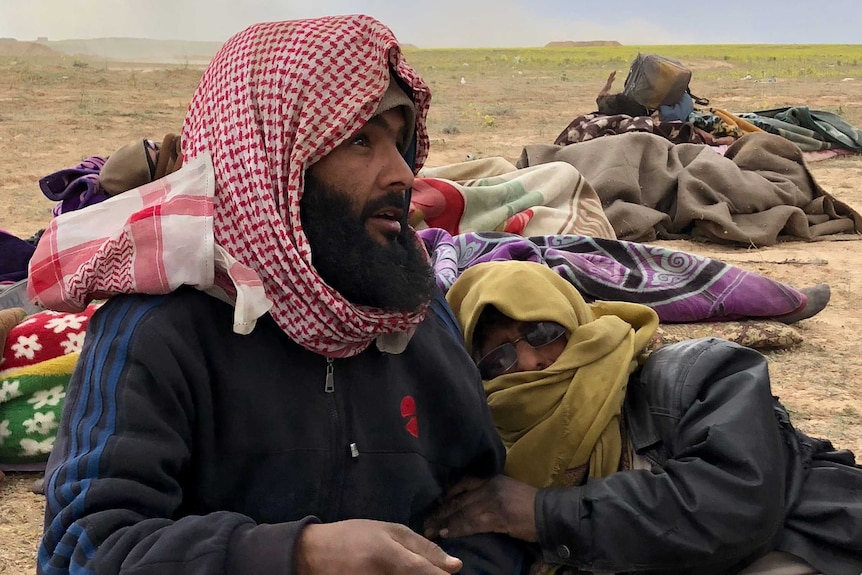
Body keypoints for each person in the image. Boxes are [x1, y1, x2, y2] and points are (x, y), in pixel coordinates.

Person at [33, 15, 525, 575]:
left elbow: (485, 514)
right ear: (270, 164)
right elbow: (85, 548)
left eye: (398, 140)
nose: (402, 174)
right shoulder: (158, 329)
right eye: (361, 140)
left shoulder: (412, 312)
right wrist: (300, 556)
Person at [432, 260, 862, 575]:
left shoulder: (698, 375)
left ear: (574, 319)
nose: (530, 362)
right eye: (499, 357)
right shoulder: (495, 449)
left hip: (806, 546)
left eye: (542, 333)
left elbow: (736, 502)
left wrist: (545, 514)